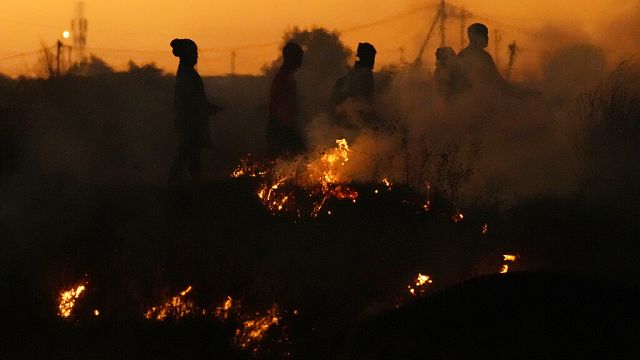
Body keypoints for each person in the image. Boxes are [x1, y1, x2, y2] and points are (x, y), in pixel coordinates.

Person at [169, 38, 220, 182]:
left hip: (188, 123)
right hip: (190, 124)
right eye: (194, 53)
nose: (197, 56)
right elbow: (192, 102)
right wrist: (209, 108)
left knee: (188, 157)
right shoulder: (188, 76)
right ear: (187, 55)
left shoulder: (186, 74)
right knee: (190, 158)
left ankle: (175, 186)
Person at [456, 23, 532, 97]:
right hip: (479, 101)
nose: (487, 38)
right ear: (475, 37)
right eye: (484, 35)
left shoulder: (462, 54)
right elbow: (498, 82)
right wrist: (523, 93)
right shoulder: (483, 57)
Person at [267, 42, 305, 158]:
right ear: (292, 58)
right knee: (299, 156)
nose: (300, 62)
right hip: (281, 126)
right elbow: (279, 103)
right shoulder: (283, 78)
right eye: (299, 58)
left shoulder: (287, 76)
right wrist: (288, 126)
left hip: (282, 125)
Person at [331, 42, 381, 130]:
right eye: (371, 57)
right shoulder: (364, 74)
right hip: (359, 117)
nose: (373, 60)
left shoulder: (350, 75)